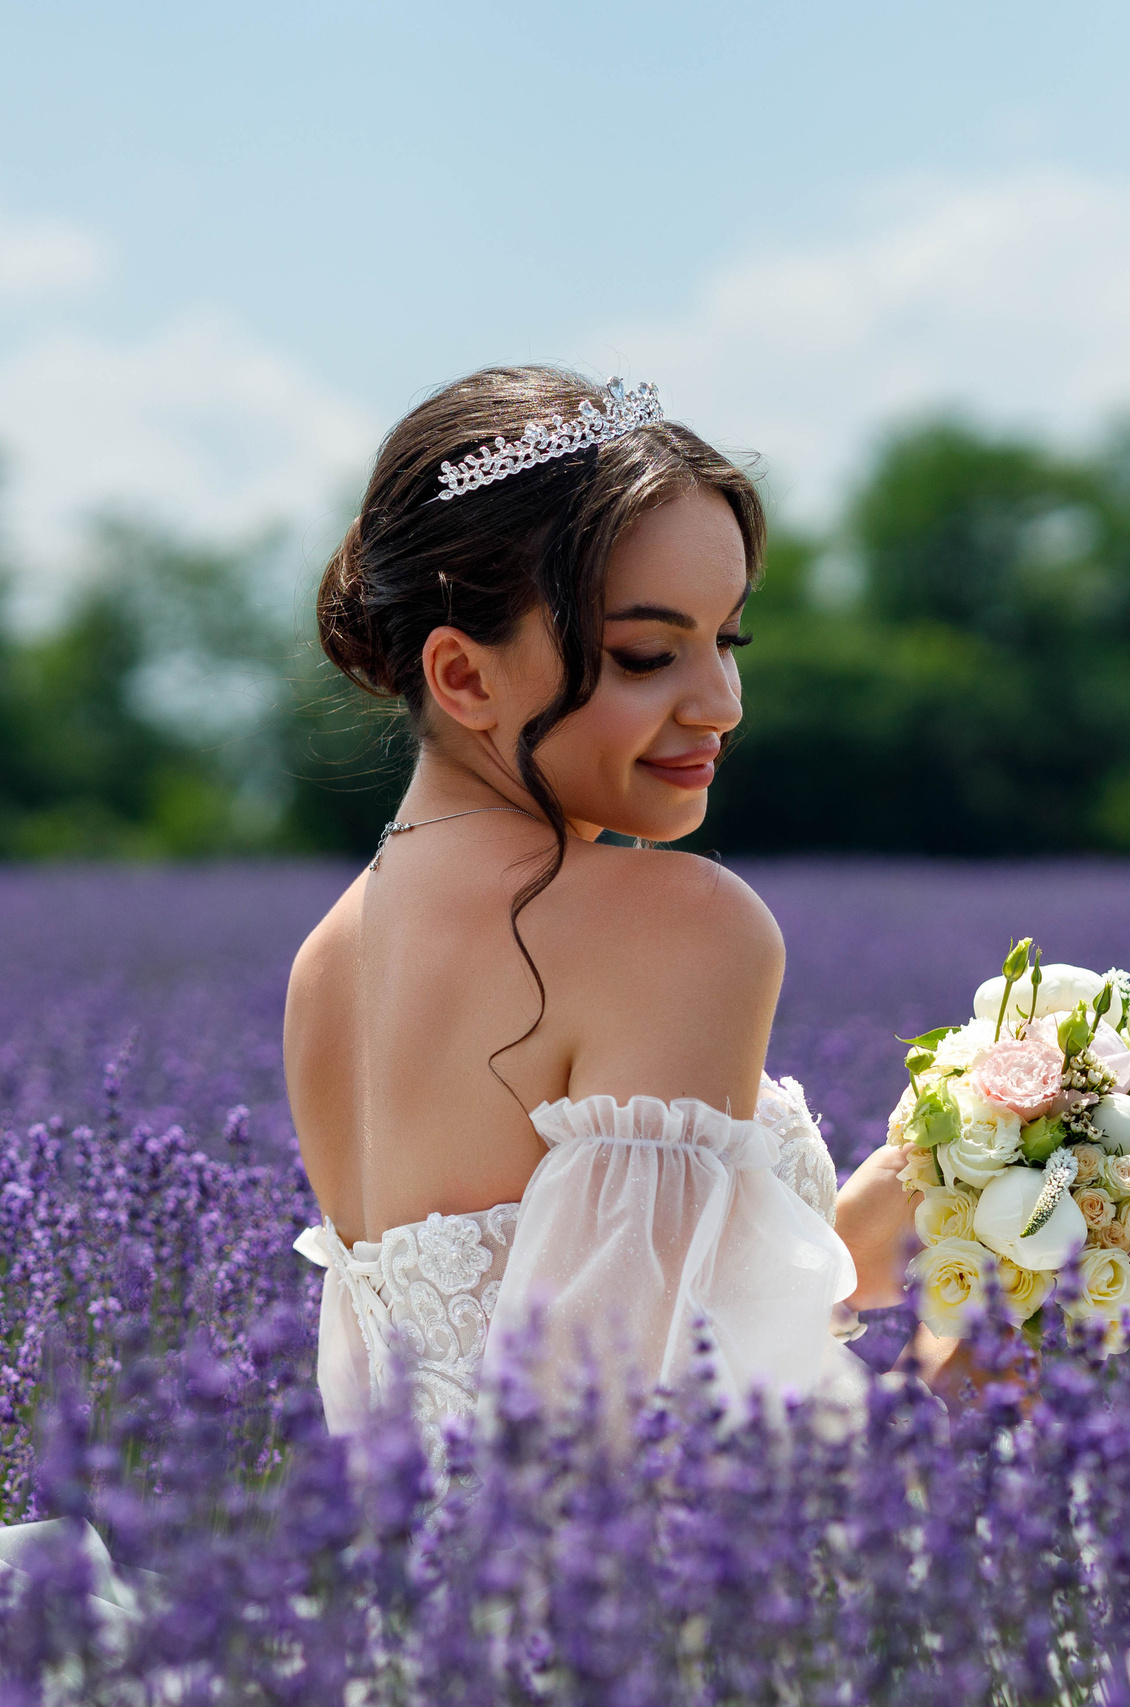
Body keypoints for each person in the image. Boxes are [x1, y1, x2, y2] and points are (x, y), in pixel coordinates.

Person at [285, 366, 923, 1447]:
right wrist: (964, 1395)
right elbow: (649, 1458)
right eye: (645, 653)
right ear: (465, 676)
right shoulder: (677, 923)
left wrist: (930, 1196)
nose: (722, 703)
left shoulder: (328, 960)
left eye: (727, 639)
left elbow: (557, 1374)